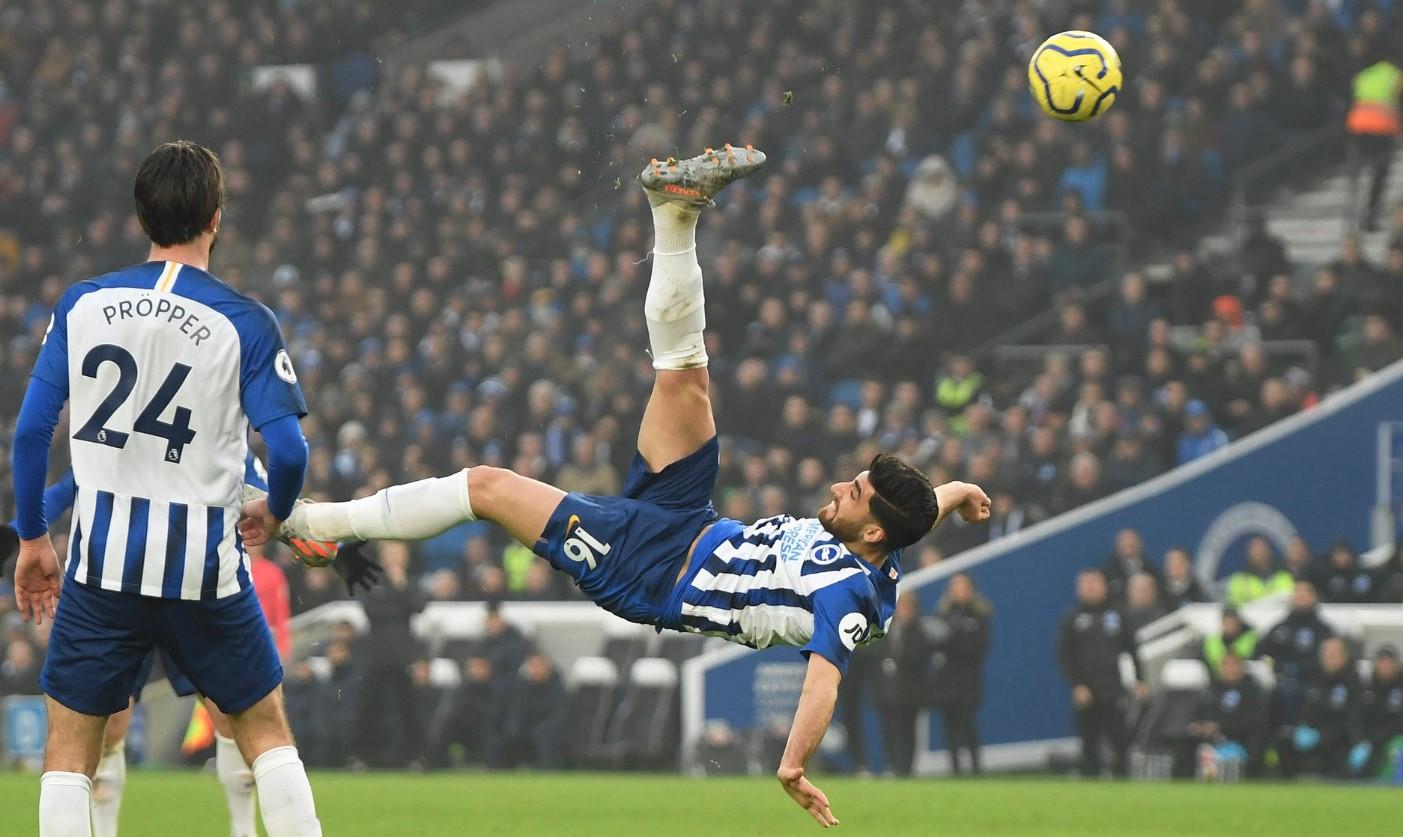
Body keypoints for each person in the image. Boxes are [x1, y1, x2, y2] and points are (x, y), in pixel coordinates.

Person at [241, 146, 992, 827]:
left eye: (853, 494)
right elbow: (909, 522)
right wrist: (952, 490)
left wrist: (793, 762)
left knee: (487, 485)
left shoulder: (849, 596)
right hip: (688, 514)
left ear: (870, 534)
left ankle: (313, 521)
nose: (837, 485)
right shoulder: (881, 536)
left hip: (650, 569)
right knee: (686, 379)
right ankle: (673, 211)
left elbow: (825, 675)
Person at [10, 141, 323, 836]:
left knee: (69, 748)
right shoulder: (244, 321)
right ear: (216, 218)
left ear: (142, 217)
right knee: (265, 730)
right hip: (204, 574)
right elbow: (291, 450)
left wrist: (33, 537)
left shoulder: (82, 303)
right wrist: (272, 510)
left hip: (100, 570)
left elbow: (32, 434)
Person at [1056, 569, 1147, 778]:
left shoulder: (1118, 614)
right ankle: (1090, 786)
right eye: (1085, 583)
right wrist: (1076, 685)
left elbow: (1131, 649)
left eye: (1094, 583)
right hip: (1086, 692)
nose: (1090, 587)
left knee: (1120, 740)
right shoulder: (1072, 618)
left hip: (1114, 689)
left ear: (1104, 585)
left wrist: (1139, 679)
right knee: (1089, 742)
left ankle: (1123, 784)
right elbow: (1064, 656)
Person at [929, 573, 991, 776]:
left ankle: (975, 769)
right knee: (950, 727)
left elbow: (978, 648)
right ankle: (955, 770)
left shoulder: (979, 615)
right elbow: (936, 643)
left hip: (968, 680)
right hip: (946, 680)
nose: (958, 591)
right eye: (955, 587)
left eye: (963, 586)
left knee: (968, 724)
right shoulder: (943, 614)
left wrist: (954, 641)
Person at [1260, 580, 1335, 726]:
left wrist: (1297, 669)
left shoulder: (1322, 629)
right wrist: (1276, 667)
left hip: (1313, 682)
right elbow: (1262, 651)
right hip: (1280, 682)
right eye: (1297, 592)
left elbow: (1326, 659)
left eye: (1305, 592)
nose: (1301, 596)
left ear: (1314, 597)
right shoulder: (1280, 627)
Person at [1286, 637, 1363, 778]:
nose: (1330, 658)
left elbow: (1353, 718)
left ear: (1345, 656)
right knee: (1285, 740)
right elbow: (1307, 710)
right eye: (1326, 654)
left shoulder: (1354, 683)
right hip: (1314, 739)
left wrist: (1323, 735)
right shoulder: (1315, 680)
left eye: (1334, 653)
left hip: (1339, 742)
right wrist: (1302, 726)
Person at [873, 595, 932, 777]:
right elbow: (875, 653)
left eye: (906, 608)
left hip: (910, 691)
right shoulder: (886, 629)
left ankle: (907, 768)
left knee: (908, 730)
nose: (902, 612)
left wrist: (898, 662)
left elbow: (920, 657)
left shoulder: (919, 631)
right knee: (889, 729)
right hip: (887, 691)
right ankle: (891, 765)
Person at [1345, 51, 1403, 232]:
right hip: (1381, 130)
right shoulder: (1396, 76)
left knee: (1361, 173)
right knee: (1380, 174)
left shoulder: (1365, 74)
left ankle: (1354, 211)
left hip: (1357, 128)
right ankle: (1370, 215)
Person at [1188, 651, 1268, 777]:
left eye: (1234, 665)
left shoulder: (1251, 690)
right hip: (1213, 737)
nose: (1230, 669)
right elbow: (1204, 712)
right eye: (1227, 665)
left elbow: (1252, 719)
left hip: (1241, 738)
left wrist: (1220, 727)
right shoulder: (1213, 689)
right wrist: (1201, 726)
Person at [1360, 646, 1403, 776]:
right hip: (1368, 740)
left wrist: (1377, 738)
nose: (1385, 666)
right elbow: (1359, 716)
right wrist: (1361, 740)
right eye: (1382, 662)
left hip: (1393, 739)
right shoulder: (1367, 688)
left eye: (1389, 663)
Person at [1225, 536, 1293, 607]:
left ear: (1269, 551)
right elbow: (1233, 607)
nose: (1260, 552)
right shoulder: (1238, 580)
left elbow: (1291, 600)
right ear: (1249, 554)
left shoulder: (1285, 576)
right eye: (1255, 549)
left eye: (1262, 549)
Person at [1200, 608, 1258, 678]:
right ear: (1222, 623)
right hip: (1217, 678)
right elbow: (1207, 660)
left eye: (1232, 623)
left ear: (1238, 623)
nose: (1230, 626)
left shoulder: (1250, 637)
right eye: (1227, 623)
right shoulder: (1212, 640)